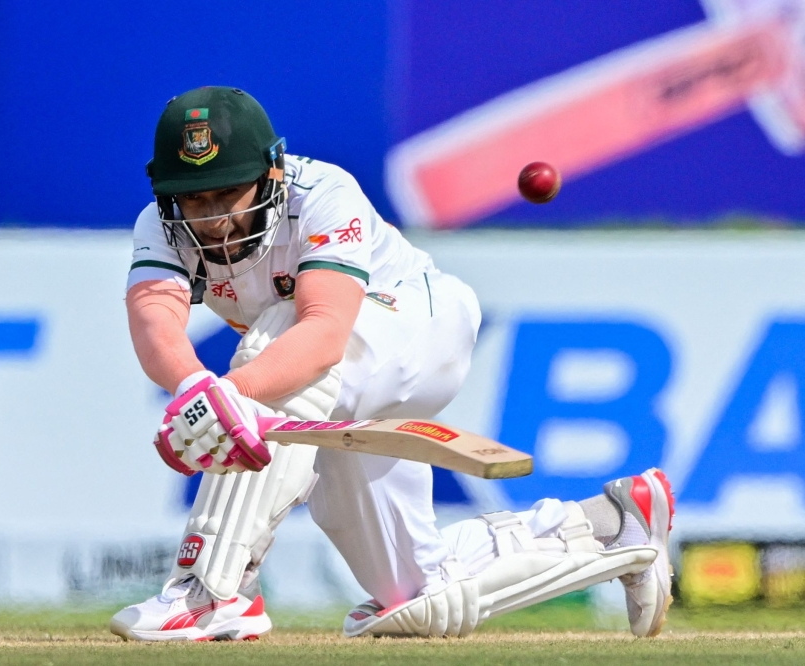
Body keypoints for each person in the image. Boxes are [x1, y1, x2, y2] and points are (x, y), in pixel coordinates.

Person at [110, 86, 674, 642]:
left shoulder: (326, 193)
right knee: (415, 598)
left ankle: (212, 590)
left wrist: (233, 392)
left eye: (227, 193)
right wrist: (193, 390)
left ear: (272, 173)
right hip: (332, 389)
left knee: (277, 336)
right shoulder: (159, 225)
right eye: (195, 199)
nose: (211, 220)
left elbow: (325, 332)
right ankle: (612, 526)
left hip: (418, 326)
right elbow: (155, 316)